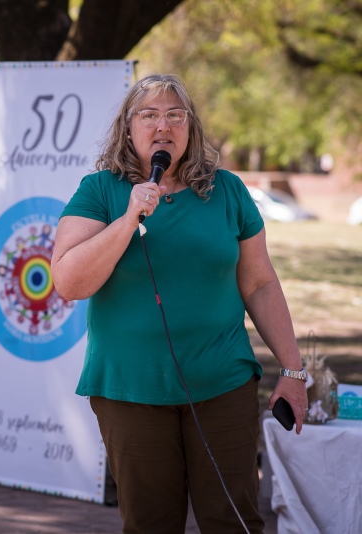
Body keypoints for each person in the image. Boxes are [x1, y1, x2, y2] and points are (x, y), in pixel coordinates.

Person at [51, 74, 307, 533]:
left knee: (233, 521)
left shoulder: (228, 191)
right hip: (131, 392)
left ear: (191, 129)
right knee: (151, 524)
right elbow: (68, 282)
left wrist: (293, 370)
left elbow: (260, 284)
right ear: (128, 129)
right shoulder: (100, 191)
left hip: (221, 384)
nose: (163, 125)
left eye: (175, 115)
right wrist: (128, 219)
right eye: (149, 115)